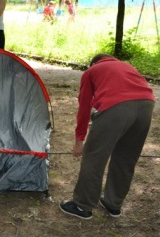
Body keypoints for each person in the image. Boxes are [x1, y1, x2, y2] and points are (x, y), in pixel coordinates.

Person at [59, 54, 155, 220]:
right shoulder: (127, 66)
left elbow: (84, 108)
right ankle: (113, 204)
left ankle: (82, 206)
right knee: (126, 158)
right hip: (147, 106)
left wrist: (79, 141)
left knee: (94, 157)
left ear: (94, 63)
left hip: (116, 107)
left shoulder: (91, 71)